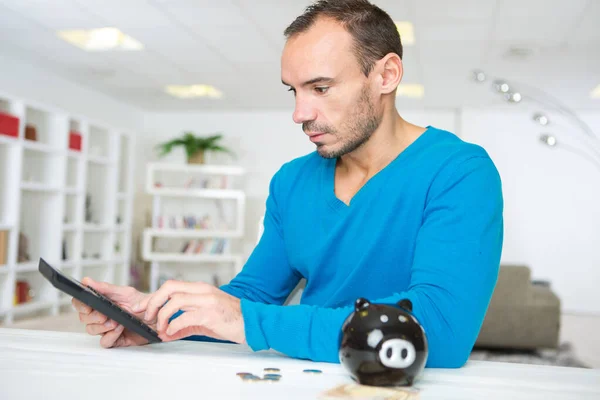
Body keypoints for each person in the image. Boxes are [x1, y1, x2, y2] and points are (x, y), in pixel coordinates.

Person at [72, 0, 503, 368]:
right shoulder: (292, 181)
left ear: (386, 75)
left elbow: (440, 330)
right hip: (305, 377)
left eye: (320, 87)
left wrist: (244, 318)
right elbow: (253, 295)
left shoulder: (460, 172)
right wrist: (156, 320)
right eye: (293, 90)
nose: (299, 113)